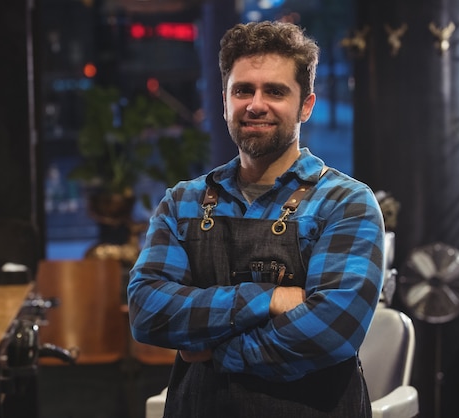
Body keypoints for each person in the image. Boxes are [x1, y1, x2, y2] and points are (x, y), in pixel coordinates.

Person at [127, 20, 385, 418]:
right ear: (225, 101)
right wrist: (270, 299)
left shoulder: (346, 202)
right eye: (243, 90)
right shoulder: (184, 202)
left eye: (275, 91)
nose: (256, 104)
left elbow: (333, 329)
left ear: (306, 105)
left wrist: (216, 351)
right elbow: (147, 311)